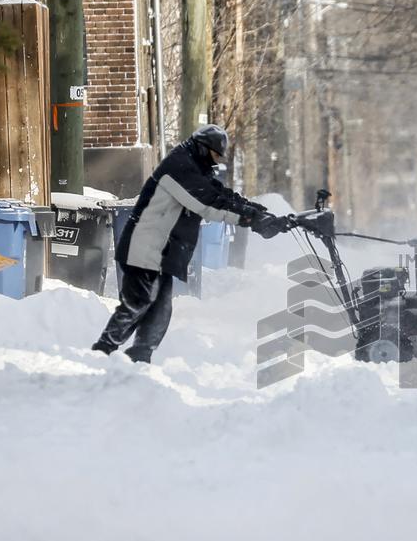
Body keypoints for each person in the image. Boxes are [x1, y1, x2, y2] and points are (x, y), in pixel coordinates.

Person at [92, 124, 290, 363]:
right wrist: (251, 218)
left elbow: (221, 194)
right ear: (202, 148)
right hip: (144, 246)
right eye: (215, 155)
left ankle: (139, 358)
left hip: (159, 251)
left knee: (159, 310)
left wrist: (257, 211)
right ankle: (102, 353)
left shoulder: (193, 168)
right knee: (139, 304)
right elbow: (208, 203)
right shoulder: (178, 169)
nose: (215, 161)